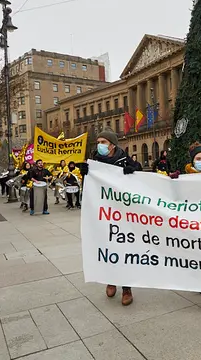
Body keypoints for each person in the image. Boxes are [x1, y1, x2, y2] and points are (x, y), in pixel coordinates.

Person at [81, 129, 138, 306]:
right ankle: (111, 279)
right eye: (98, 142)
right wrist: (84, 173)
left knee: (124, 248)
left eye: (103, 142)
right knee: (107, 246)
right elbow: (89, 188)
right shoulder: (94, 161)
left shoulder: (123, 158)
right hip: (103, 213)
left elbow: (140, 174)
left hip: (122, 212)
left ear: (112, 144)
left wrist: (133, 170)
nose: (100, 145)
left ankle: (126, 288)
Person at [169, 142, 201, 315]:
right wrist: (173, 183)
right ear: (192, 161)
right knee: (196, 257)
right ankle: (200, 283)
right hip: (191, 225)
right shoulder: (183, 178)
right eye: (198, 158)